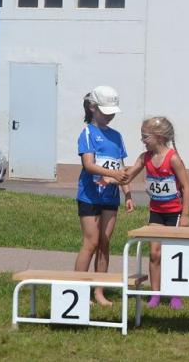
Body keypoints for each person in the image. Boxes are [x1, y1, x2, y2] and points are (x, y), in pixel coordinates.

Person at [125, 117, 189, 310]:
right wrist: (111, 178)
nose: (142, 140)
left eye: (145, 136)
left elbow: (186, 187)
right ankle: (155, 294)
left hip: (174, 213)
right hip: (156, 211)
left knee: (172, 253)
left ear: (159, 137)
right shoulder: (144, 157)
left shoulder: (173, 158)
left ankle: (175, 294)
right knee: (155, 253)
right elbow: (127, 175)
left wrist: (185, 214)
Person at [74, 86, 132, 307]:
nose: (109, 116)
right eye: (105, 111)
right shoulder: (88, 133)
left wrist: (127, 193)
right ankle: (78, 290)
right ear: (93, 108)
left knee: (105, 243)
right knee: (91, 242)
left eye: (112, 112)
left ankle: (99, 291)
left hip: (110, 198)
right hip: (89, 196)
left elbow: (121, 168)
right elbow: (88, 165)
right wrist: (112, 174)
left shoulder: (117, 136)